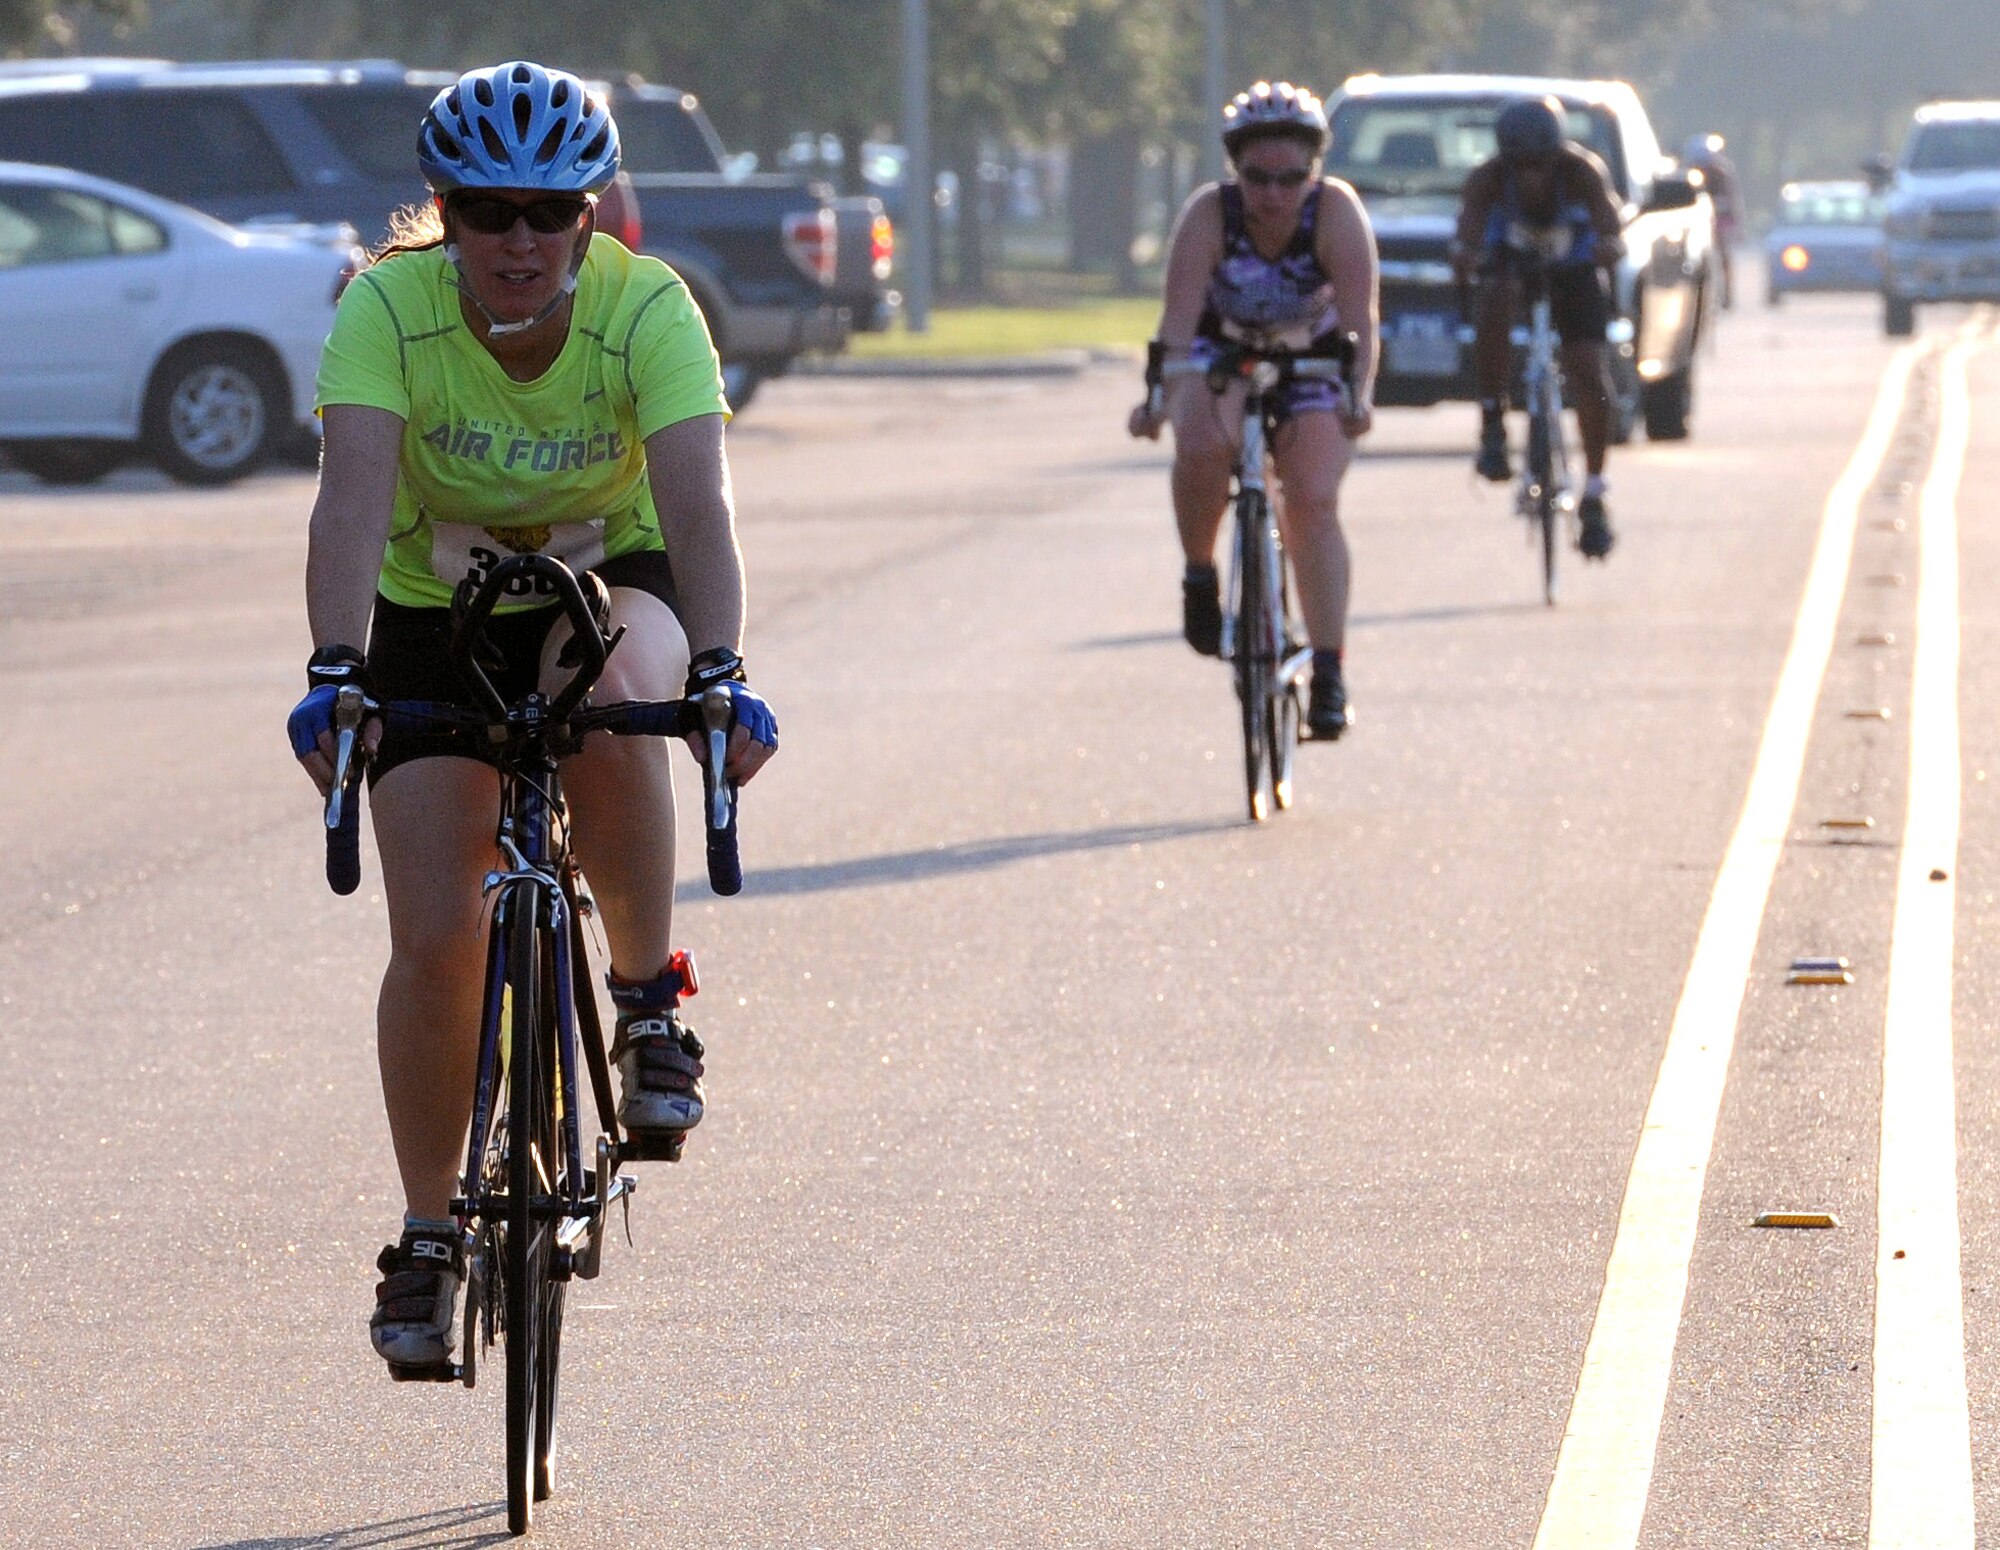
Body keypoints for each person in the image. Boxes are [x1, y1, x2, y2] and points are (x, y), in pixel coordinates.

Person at [286, 61, 777, 1375]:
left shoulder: (647, 307)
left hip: (612, 579)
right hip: (428, 611)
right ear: (443, 212)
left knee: (618, 686)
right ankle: (429, 1234)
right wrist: (337, 663)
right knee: (438, 934)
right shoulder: (386, 307)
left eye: (547, 212)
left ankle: (647, 999)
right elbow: (347, 500)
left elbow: (698, 504)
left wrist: (721, 664)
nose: (516, 240)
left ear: (591, 214)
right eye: (487, 211)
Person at [1128, 79, 1379, 741]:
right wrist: (1157, 397)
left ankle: (1328, 670)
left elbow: (1359, 321)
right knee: (1203, 447)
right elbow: (1178, 321)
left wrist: (1361, 393)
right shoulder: (1210, 214)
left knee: (1314, 498)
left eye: (1289, 178)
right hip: (1222, 350)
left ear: (1313, 173)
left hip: (1312, 354)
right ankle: (1200, 574)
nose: (1272, 194)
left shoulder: (1336, 214)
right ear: (1236, 172)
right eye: (1257, 177)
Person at [1454, 95, 1625, 559]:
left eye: (1541, 164)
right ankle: (1493, 421)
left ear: (1558, 154)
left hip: (1574, 271)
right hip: (1511, 268)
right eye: (1520, 165)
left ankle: (1594, 490)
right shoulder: (1486, 179)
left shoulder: (1582, 172)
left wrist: (1610, 245)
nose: (1531, 174)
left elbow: (1611, 224)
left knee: (1589, 369)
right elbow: (1467, 230)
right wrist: (1465, 255)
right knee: (1494, 298)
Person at [1683, 132, 1744, 310]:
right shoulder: (1689, 173)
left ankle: (1727, 295)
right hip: (1696, 222)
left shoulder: (1722, 172)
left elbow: (1732, 198)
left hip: (1720, 219)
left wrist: (1736, 222)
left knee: (1724, 255)